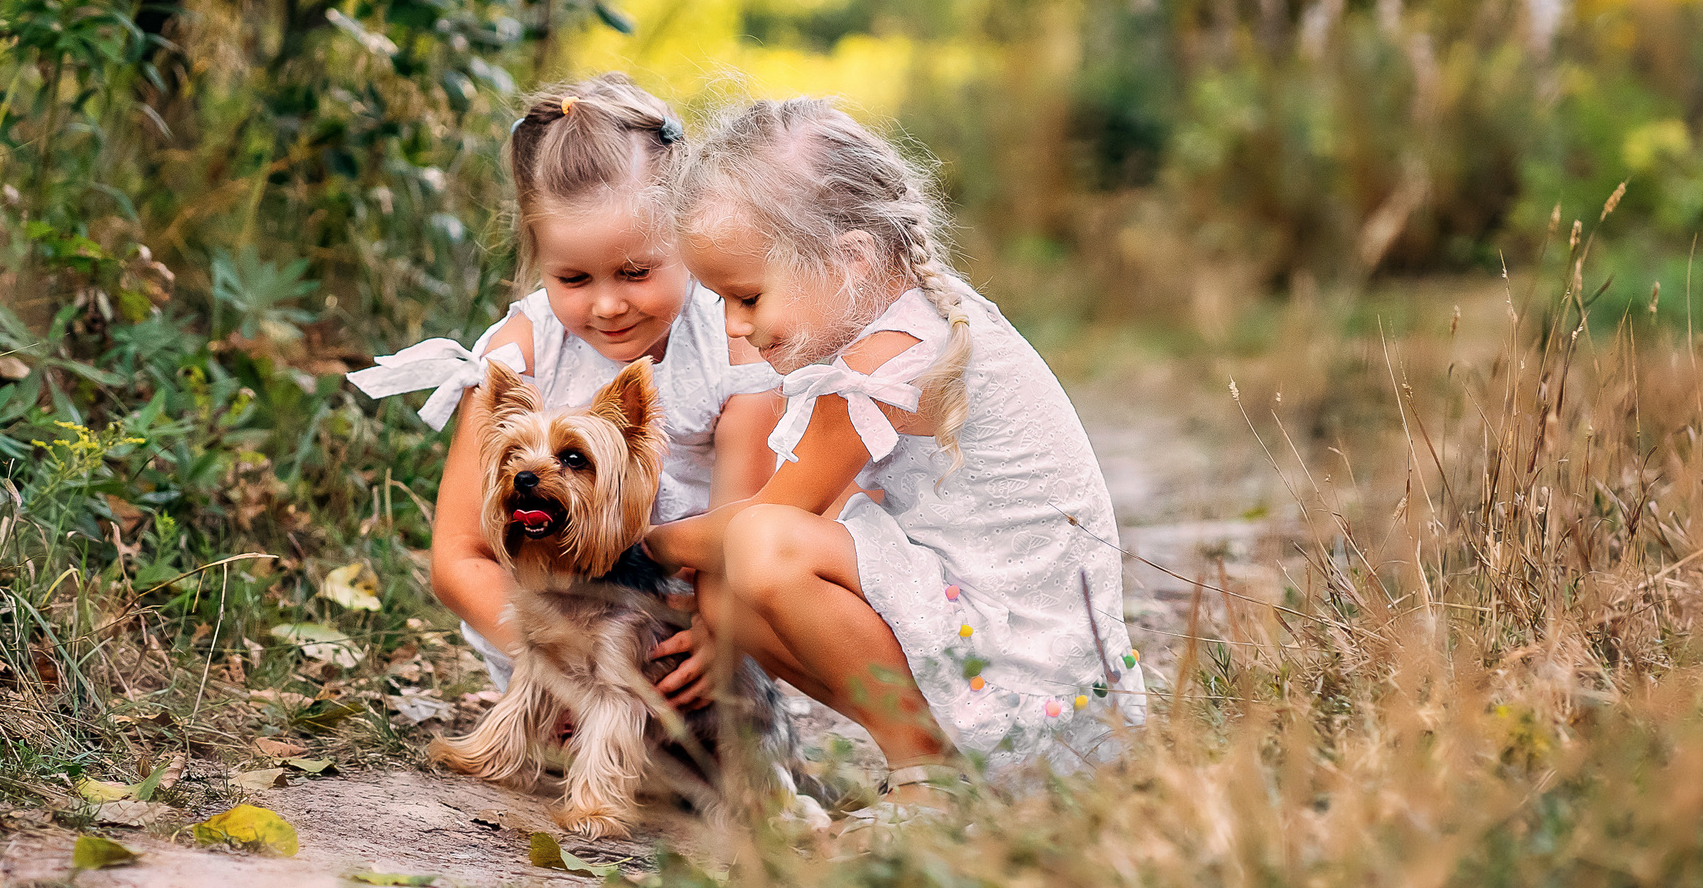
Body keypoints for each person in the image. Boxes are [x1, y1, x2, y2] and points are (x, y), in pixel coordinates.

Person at [641, 96, 1144, 798]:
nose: (735, 327)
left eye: (748, 296)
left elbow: (774, 517)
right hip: (1034, 675)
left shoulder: (886, 359)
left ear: (850, 259)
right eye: (720, 300)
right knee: (730, 596)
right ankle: (947, 761)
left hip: (1038, 692)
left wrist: (633, 541)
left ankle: (927, 778)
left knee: (762, 546)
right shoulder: (907, 320)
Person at [350, 73, 783, 707]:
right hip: (547, 653)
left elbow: (739, 527)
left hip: (685, 637)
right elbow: (458, 557)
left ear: (689, 237)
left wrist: (720, 631)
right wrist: (561, 667)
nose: (608, 305)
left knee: (711, 757)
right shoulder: (520, 355)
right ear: (536, 259)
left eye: (635, 272)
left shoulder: (732, 344)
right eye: (574, 278)